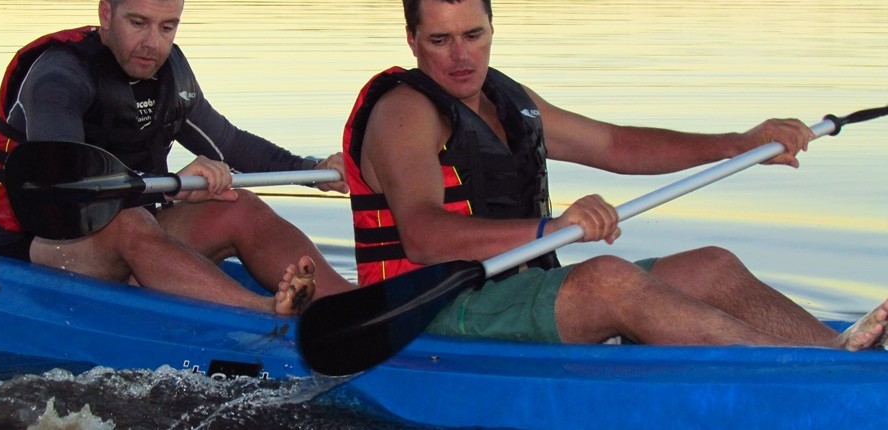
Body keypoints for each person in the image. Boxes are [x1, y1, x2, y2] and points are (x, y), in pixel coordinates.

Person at [342, 0, 888, 349]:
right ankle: (813, 370)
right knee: (606, 278)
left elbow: (616, 144)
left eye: (473, 35)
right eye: (440, 41)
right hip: (426, 308)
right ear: (412, 40)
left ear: (492, 28)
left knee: (711, 267)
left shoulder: (509, 101)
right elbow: (423, 233)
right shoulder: (404, 113)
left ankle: (841, 355)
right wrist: (550, 229)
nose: (462, 56)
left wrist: (739, 144)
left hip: (515, 288)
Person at [0, 0, 355, 315]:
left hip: (137, 240)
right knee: (131, 221)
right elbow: (62, 184)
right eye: (138, 23)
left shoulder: (170, 75)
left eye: (167, 27)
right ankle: (264, 311)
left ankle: (347, 305)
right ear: (106, 14)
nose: (151, 44)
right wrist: (174, 189)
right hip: (40, 247)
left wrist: (313, 170)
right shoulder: (59, 75)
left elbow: (231, 143)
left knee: (237, 204)